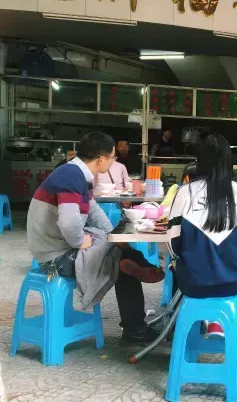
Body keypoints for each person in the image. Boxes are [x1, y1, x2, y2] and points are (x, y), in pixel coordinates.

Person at [27, 132, 164, 342]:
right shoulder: (70, 176)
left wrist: (115, 238)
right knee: (121, 263)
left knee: (122, 252)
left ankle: (138, 265)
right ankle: (135, 328)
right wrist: (80, 242)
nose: (113, 161)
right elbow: (69, 222)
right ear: (101, 159)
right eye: (113, 157)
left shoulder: (76, 175)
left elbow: (93, 211)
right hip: (55, 258)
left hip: (58, 248)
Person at [167, 134, 237, 337]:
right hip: (235, 281)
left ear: (199, 161)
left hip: (193, 283)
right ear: (230, 162)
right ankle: (216, 321)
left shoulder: (185, 193)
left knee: (180, 264)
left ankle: (186, 329)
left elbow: (173, 244)